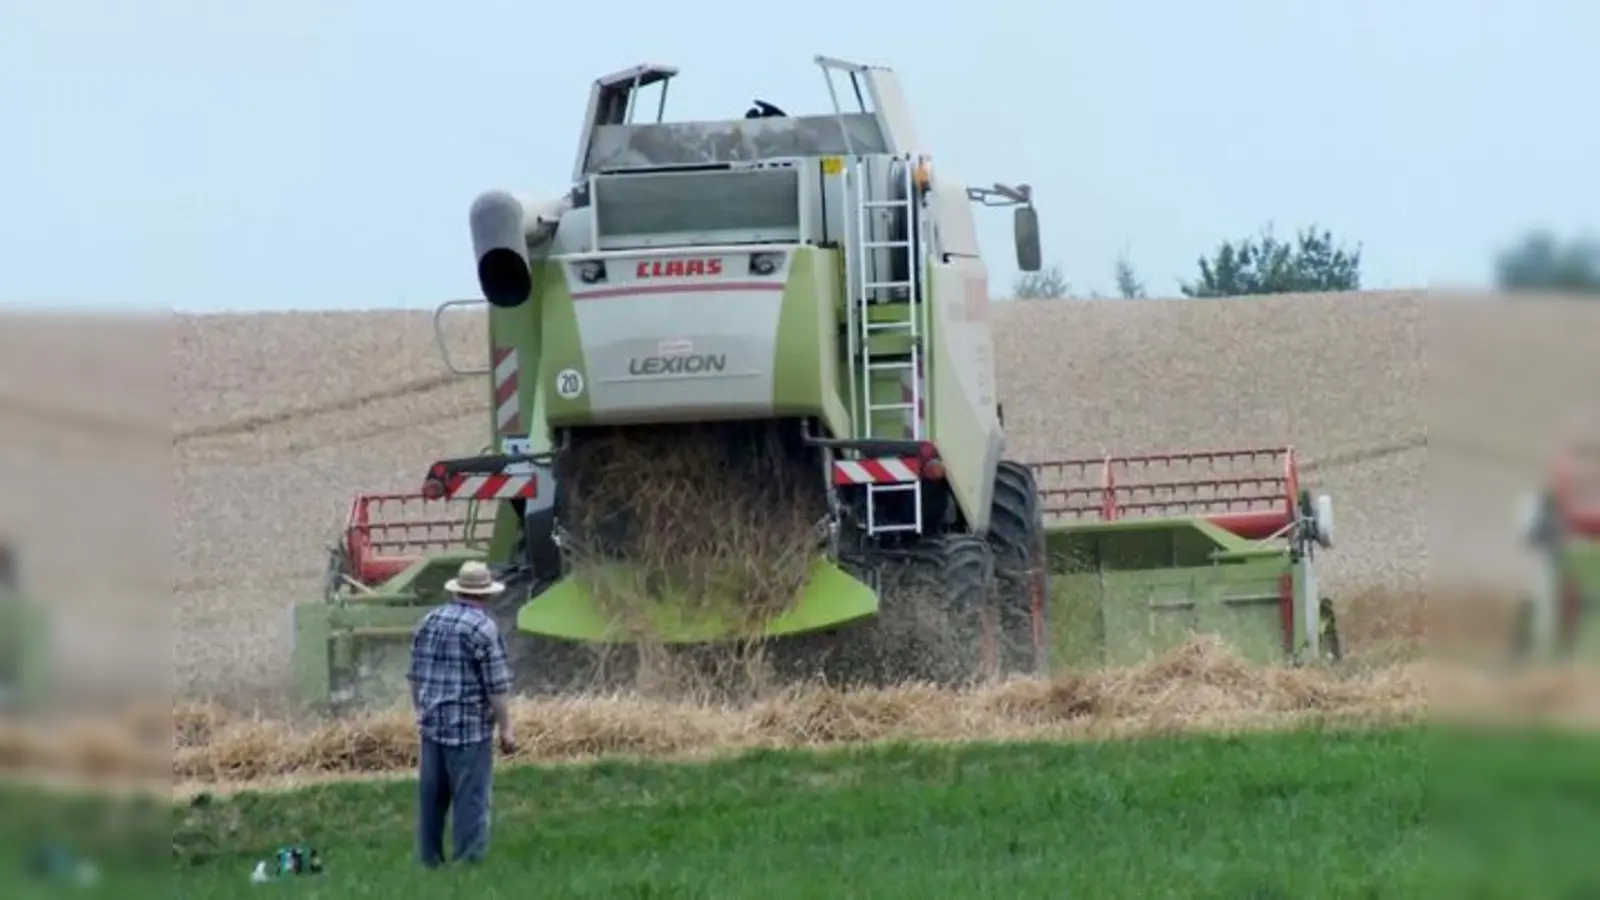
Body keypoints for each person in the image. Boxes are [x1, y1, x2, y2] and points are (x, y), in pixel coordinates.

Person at [405, 559, 519, 868]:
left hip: (431, 727)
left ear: (458, 591)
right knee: (470, 800)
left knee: (432, 801)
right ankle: (467, 864)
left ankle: (429, 860)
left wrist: (421, 712)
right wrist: (506, 729)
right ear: (486, 595)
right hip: (469, 731)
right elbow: (496, 686)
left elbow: (415, 676)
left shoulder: (429, 620)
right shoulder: (483, 628)